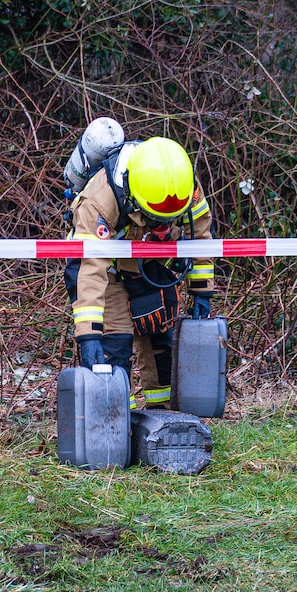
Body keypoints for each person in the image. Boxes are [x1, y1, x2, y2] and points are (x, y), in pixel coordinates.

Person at [63, 135, 215, 409]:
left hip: (149, 265)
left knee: (161, 344)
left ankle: (166, 420)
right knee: (114, 351)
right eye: (155, 220)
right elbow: (88, 269)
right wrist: (88, 335)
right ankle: (119, 423)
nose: (164, 228)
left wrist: (201, 288)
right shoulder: (100, 200)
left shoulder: (182, 185)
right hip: (106, 273)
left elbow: (201, 232)